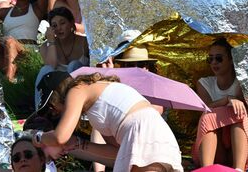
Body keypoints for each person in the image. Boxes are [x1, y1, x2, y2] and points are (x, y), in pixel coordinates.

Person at [33, 73, 183, 172]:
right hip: (153, 134)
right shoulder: (96, 105)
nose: (55, 114)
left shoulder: (78, 90)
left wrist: (39, 137)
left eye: (51, 109)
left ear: (59, 95)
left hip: (142, 132)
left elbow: (60, 137)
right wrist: (78, 144)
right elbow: (116, 153)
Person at [193, 39, 248, 170]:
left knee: (236, 116)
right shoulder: (204, 83)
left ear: (231, 60)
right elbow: (205, 109)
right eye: (210, 59)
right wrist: (227, 99)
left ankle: (238, 168)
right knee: (208, 117)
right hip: (216, 143)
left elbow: (241, 111)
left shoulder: (242, 82)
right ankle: (206, 168)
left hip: (239, 142)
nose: (214, 63)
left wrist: (233, 100)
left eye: (219, 58)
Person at [34, 7, 89, 107]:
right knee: (45, 69)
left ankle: (72, 106)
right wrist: (51, 42)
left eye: (62, 23)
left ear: (72, 23)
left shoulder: (85, 42)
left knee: (74, 64)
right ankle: (40, 109)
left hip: (79, 88)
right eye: (54, 25)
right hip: (56, 89)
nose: (59, 28)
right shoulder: (46, 46)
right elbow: (51, 66)